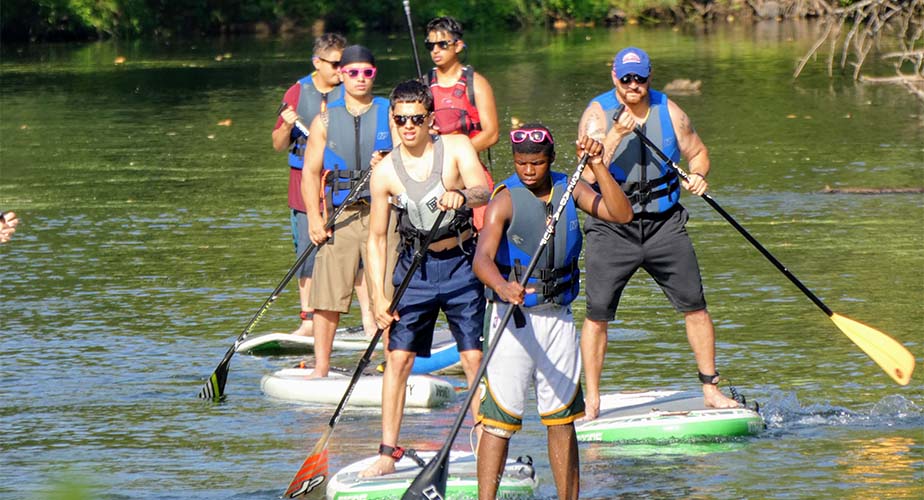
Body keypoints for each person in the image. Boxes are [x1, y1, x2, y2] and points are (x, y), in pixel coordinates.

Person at [577, 46, 739, 419]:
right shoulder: (597, 115)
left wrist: (698, 175)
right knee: (597, 314)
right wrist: (616, 134)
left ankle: (710, 389)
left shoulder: (671, 112)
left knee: (696, 307)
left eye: (640, 78)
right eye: (625, 78)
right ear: (614, 77)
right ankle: (593, 399)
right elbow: (585, 176)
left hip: (665, 224)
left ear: (650, 77)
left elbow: (698, 152)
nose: (633, 85)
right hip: (612, 228)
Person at [473, 126, 632, 500]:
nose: (528, 170)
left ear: (551, 159)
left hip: (557, 317)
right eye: (521, 163)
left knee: (561, 420)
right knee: (499, 421)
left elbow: (620, 213)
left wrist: (597, 164)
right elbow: (482, 258)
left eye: (538, 162)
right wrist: (502, 286)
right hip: (511, 321)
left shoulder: (571, 186)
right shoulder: (504, 200)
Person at [362, 80, 490, 477]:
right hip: (414, 270)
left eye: (417, 119)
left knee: (472, 358)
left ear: (430, 119)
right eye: (401, 120)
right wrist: (380, 299)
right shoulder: (384, 172)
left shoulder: (455, 148)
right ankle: (387, 452)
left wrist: (462, 197)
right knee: (397, 359)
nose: (409, 126)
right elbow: (376, 240)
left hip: (460, 264)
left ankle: (488, 444)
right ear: (393, 120)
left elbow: (483, 190)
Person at [301, 45, 399, 378]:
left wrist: (389, 162)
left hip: (383, 214)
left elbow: (414, 156)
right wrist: (314, 219)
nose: (360, 79)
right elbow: (310, 174)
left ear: (374, 75)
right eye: (353, 72)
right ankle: (321, 368)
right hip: (339, 217)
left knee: (385, 293)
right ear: (341, 74)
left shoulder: (391, 113)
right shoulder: (325, 119)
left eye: (367, 72)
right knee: (327, 296)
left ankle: (392, 367)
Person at [271, 33, 347, 337]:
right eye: (336, 64)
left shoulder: (350, 90)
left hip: (342, 182)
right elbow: (278, 144)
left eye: (346, 64)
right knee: (308, 251)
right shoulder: (297, 92)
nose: (343, 71)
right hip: (304, 183)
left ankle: (365, 318)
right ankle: (308, 320)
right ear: (317, 62)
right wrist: (288, 124)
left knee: (353, 254)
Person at [423, 16, 498, 229]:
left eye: (442, 44)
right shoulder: (423, 84)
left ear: (458, 46)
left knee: (484, 228)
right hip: (432, 168)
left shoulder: (477, 84)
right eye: (430, 45)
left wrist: (457, 156)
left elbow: (492, 133)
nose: (435, 50)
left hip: (470, 168)